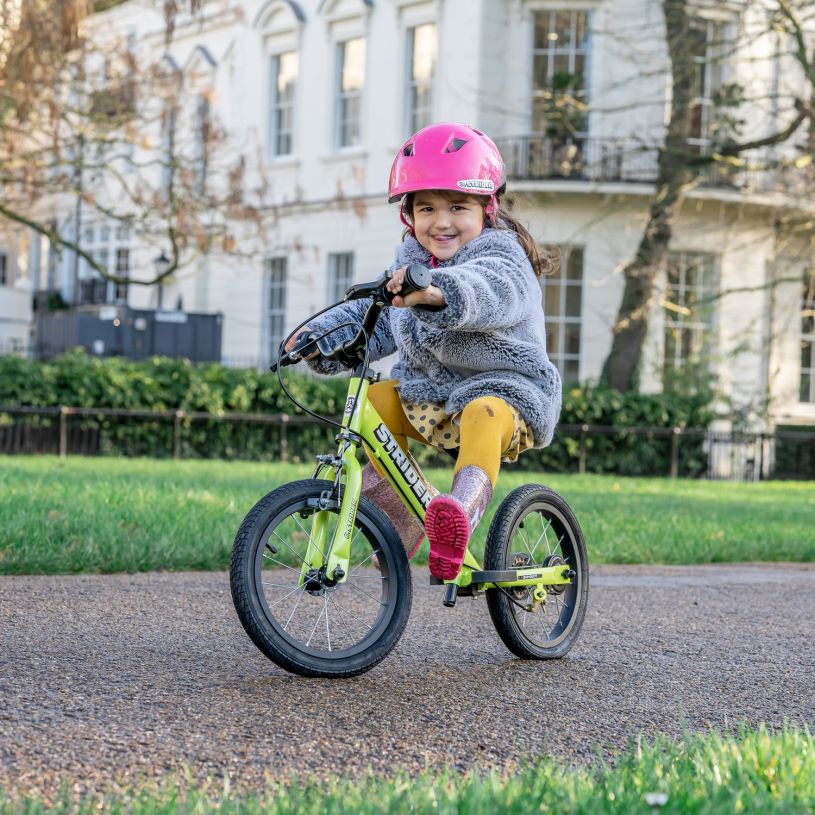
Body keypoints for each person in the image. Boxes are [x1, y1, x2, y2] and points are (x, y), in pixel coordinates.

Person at [287, 122, 562, 580]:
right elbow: (373, 318)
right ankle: (408, 513)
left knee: (483, 411)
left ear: (486, 208)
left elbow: (490, 290)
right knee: (376, 401)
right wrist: (322, 338)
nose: (442, 221)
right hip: (431, 396)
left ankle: (460, 515)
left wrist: (438, 292)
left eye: (458, 207)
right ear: (408, 215)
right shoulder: (408, 262)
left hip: (508, 394)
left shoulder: (502, 255)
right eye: (427, 208)